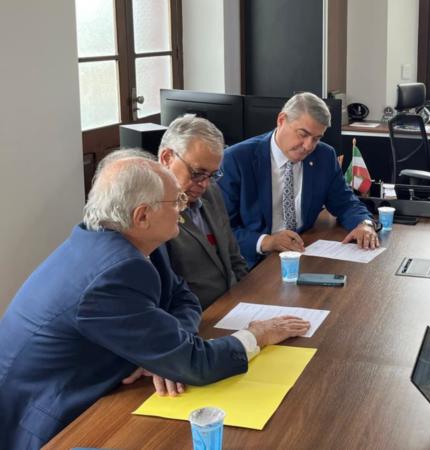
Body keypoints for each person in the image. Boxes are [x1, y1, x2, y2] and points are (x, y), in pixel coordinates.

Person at [0, 156, 310, 450]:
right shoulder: (113, 274)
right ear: (142, 216)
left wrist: (165, 351)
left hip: (103, 386)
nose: (183, 208)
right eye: (175, 201)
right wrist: (258, 335)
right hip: (53, 423)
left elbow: (183, 297)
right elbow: (196, 363)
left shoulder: (120, 240)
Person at [218, 92, 378, 267]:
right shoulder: (236, 159)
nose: (308, 146)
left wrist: (364, 223)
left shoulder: (324, 156)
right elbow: (221, 229)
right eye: (303, 134)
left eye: (316, 138)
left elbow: (345, 202)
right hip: (254, 261)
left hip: (303, 250)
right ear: (281, 120)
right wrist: (267, 242)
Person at [158, 115, 249, 309]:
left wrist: (246, 299)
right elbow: (167, 295)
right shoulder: (154, 212)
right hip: (198, 317)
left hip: (234, 305)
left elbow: (234, 258)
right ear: (167, 158)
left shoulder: (211, 191)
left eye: (213, 175)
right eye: (197, 173)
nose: (204, 184)